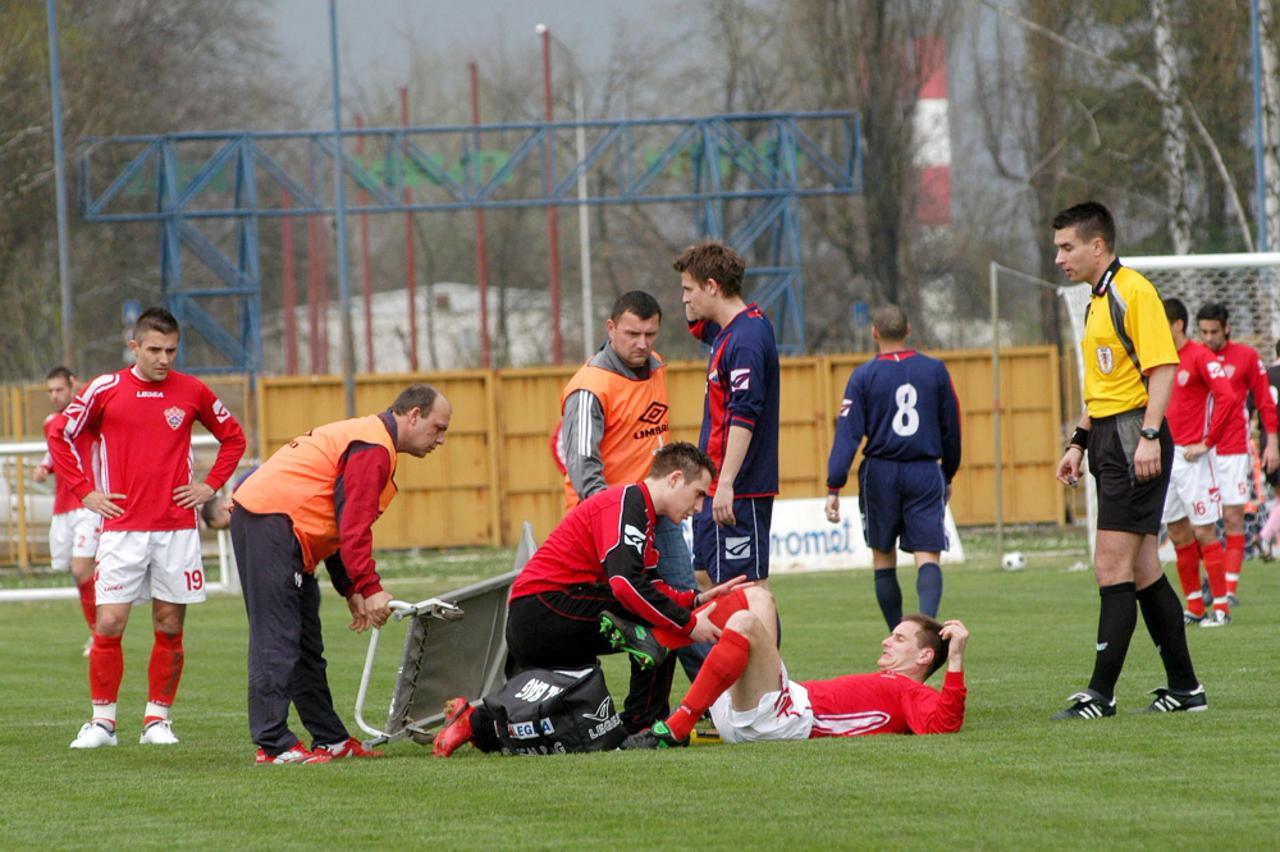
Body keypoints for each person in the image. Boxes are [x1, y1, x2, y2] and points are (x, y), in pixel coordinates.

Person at [431, 442, 744, 757]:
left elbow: (646, 586)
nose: (699, 507)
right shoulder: (628, 504)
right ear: (675, 479)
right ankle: (643, 725)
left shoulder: (641, 514)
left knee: (561, 725)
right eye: (699, 494)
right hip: (544, 610)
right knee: (662, 621)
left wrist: (694, 599)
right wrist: (687, 623)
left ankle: (474, 721)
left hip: (539, 617)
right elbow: (624, 584)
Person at [49, 307, 247, 749]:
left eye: (171, 350)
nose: (164, 359)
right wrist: (84, 491)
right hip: (122, 528)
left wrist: (210, 486)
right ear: (134, 346)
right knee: (110, 622)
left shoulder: (192, 390)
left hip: (176, 529)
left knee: (169, 624)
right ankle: (102, 723)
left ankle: (157, 720)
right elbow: (61, 434)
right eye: (154, 349)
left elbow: (234, 436)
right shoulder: (106, 388)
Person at [230, 383, 450, 765]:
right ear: (413, 415)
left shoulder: (369, 437)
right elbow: (353, 527)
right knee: (278, 638)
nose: (441, 439)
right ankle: (273, 743)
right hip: (272, 525)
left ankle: (330, 738)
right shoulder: (373, 446)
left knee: (305, 645)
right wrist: (371, 588)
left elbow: (334, 520)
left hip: (278, 526)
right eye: (438, 428)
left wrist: (351, 589)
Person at [1051, 201, 1205, 719]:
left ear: (1098, 246)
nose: (1059, 258)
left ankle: (1101, 694)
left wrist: (1148, 435)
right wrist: (1078, 440)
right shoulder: (1097, 300)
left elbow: (1162, 368)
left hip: (1132, 441)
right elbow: (1105, 387)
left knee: (1109, 565)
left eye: (1067, 247)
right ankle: (1186, 689)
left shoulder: (1132, 290)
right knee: (1141, 569)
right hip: (1108, 440)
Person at [560, 289, 706, 681]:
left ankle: (715, 699)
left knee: (681, 608)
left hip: (659, 514)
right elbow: (581, 462)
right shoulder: (589, 387)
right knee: (615, 615)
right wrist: (613, 516)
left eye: (650, 334)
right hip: (606, 523)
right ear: (610, 329)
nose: (642, 344)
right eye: (632, 334)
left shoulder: (656, 365)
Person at [620, 585, 967, 748]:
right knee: (758, 598)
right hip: (773, 708)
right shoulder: (892, 683)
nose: (886, 641)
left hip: (784, 719)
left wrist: (955, 658)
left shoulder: (912, 691)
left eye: (900, 639)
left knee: (744, 620)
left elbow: (943, 725)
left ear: (924, 658)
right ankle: (659, 640)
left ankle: (678, 725)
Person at [825, 305, 961, 629]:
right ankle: (925, 634)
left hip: (880, 471)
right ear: (908, 329)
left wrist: (834, 485)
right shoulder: (935, 370)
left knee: (883, 556)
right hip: (925, 470)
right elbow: (952, 427)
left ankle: (898, 635)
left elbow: (848, 433)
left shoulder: (863, 375)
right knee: (927, 555)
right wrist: (949, 471)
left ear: (874, 333)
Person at [675, 241, 780, 589]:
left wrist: (726, 484)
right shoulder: (726, 331)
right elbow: (694, 322)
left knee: (746, 588)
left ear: (712, 286)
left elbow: (744, 415)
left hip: (739, 487)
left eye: (689, 289)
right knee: (706, 576)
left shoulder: (746, 338)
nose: (685, 299)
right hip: (718, 483)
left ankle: (769, 647)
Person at [1195, 302, 1279, 610]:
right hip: (1198, 451)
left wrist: (1272, 443)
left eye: (1214, 331)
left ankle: (1228, 588)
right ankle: (1210, 583)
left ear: (1226, 328)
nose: (1209, 338)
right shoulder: (1193, 357)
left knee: (1232, 518)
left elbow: (1266, 403)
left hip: (1232, 451)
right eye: (1203, 332)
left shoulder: (1245, 357)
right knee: (1199, 524)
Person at [1159, 298, 1238, 626]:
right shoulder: (1160, 360)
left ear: (1177, 324)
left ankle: (1221, 606)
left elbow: (1228, 396)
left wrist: (1208, 442)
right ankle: (1194, 606)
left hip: (1194, 458)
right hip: (1167, 457)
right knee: (1177, 531)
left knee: (1204, 530)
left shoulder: (1200, 356)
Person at [32, 367, 101, 656]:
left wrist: (83, 391)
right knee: (76, 573)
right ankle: (100, 628)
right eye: (50, 391)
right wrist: (44, 467)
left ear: (72, 386)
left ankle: (101, 633)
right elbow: (54, 450)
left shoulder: (89, 415)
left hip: (89, 503)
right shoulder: (51, 421)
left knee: (80, 567)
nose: (54, 396)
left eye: (59, 389)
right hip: (63, 507)